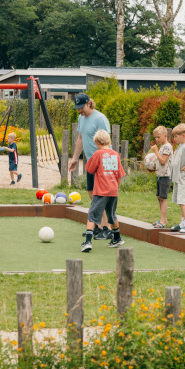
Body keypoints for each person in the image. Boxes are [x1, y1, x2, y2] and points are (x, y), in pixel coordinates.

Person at [68, 93, 111, 239]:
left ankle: (108, 228)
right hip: (91, 162)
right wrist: (75, 158)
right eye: (77, 108)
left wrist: (107, 162)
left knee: (101, 196)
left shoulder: (100, 118)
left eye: (81, 107)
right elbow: (80, 138)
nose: (79, 110)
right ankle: (98, 227)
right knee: (92, 193)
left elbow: (107, 141)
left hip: (102, 163)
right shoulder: (81, 118)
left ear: (88, 104)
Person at [82, 129, 126, 252]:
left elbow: (89, 169)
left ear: (97, 142)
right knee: (112, 215)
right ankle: (117, 238)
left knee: (92, 216)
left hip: (101, 191)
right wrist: (116, 187)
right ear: (109, 141)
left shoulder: (98, 154)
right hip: (113, 190)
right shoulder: (116, 154)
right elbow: (120, 174)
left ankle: (87, 242)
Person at [150, 126, 173, 228]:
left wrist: (155, 151)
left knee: (163, 198)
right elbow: (159, 162)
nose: (156, 139)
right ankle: (163, 219)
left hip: (165, 176)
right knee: (159, 197)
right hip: (160, 175)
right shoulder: (162, 147)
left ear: (165, 135)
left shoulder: (168, 147)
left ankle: (163, 221)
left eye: (158, 137)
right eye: (155, 137)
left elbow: (163, 161)